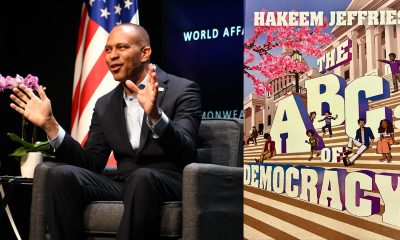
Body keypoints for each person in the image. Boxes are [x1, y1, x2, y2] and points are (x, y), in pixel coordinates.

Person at [9, 23, 202, 240]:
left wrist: (155, 115)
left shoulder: (182, 90)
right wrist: (51, 126)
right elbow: (91, 163)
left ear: (145, 53)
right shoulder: (105, 104)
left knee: (142, 178)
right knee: (59, 175)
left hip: (168, 183)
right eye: (108, 50)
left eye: (121, 48)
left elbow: (187, 151)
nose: (112, 57)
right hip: (125, 183)